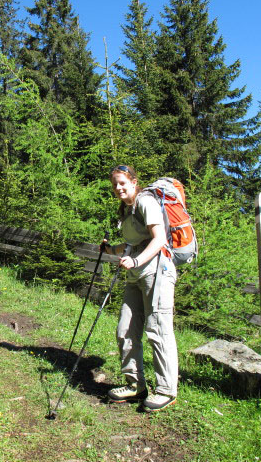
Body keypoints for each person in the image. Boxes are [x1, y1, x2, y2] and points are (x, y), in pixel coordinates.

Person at [101, 164, 178, 412]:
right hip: (136, 274)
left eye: (122, 183)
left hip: (157, 271)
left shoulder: (146, 202)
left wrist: (135, 261)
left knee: (158, 329)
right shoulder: (126, 209)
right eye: (115, 184)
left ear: (134, 182)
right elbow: (132, 244)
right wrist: (110, 250)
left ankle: (166, 390)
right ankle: (135, 385)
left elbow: (159, 239)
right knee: (125, 328)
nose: (118, 188)